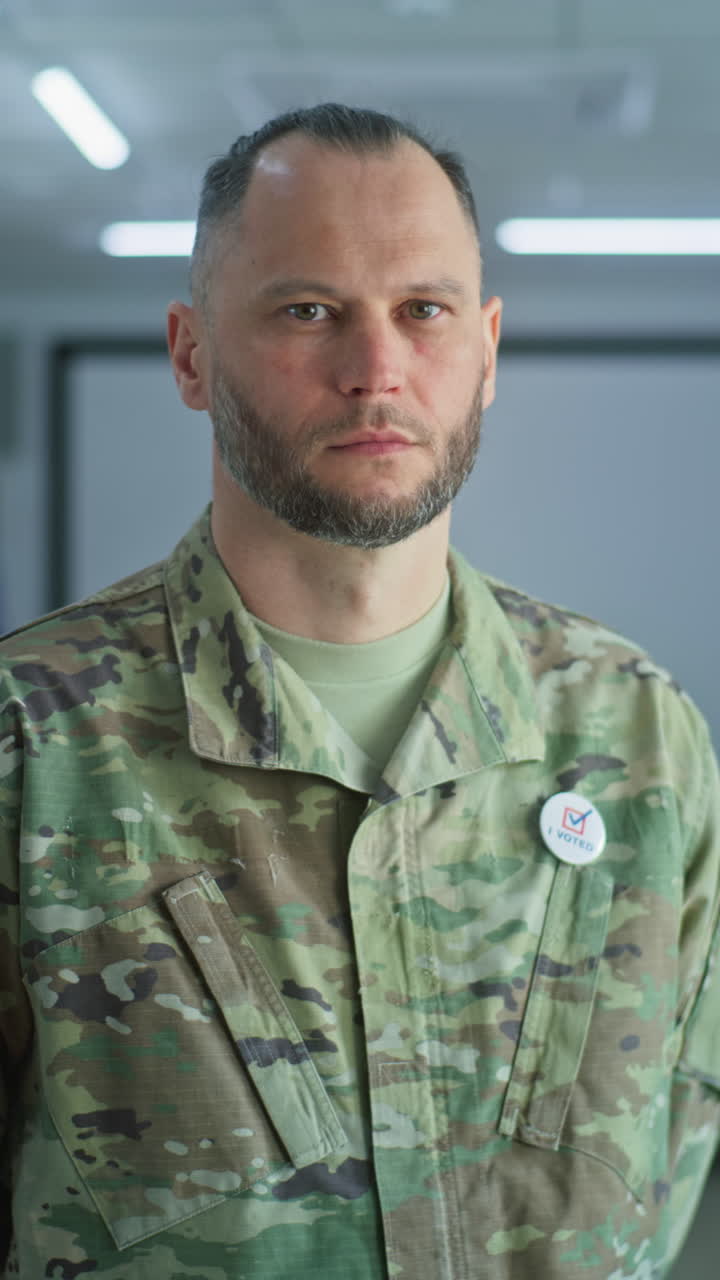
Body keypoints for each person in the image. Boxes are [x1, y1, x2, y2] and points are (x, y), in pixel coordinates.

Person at [0, 103, 718, 1280]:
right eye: (307, 309)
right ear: (191, 354)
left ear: (485, 351)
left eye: (423, 311)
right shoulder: (34, 738)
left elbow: (670, 1156)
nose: (376, 369)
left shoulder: (636, 732)